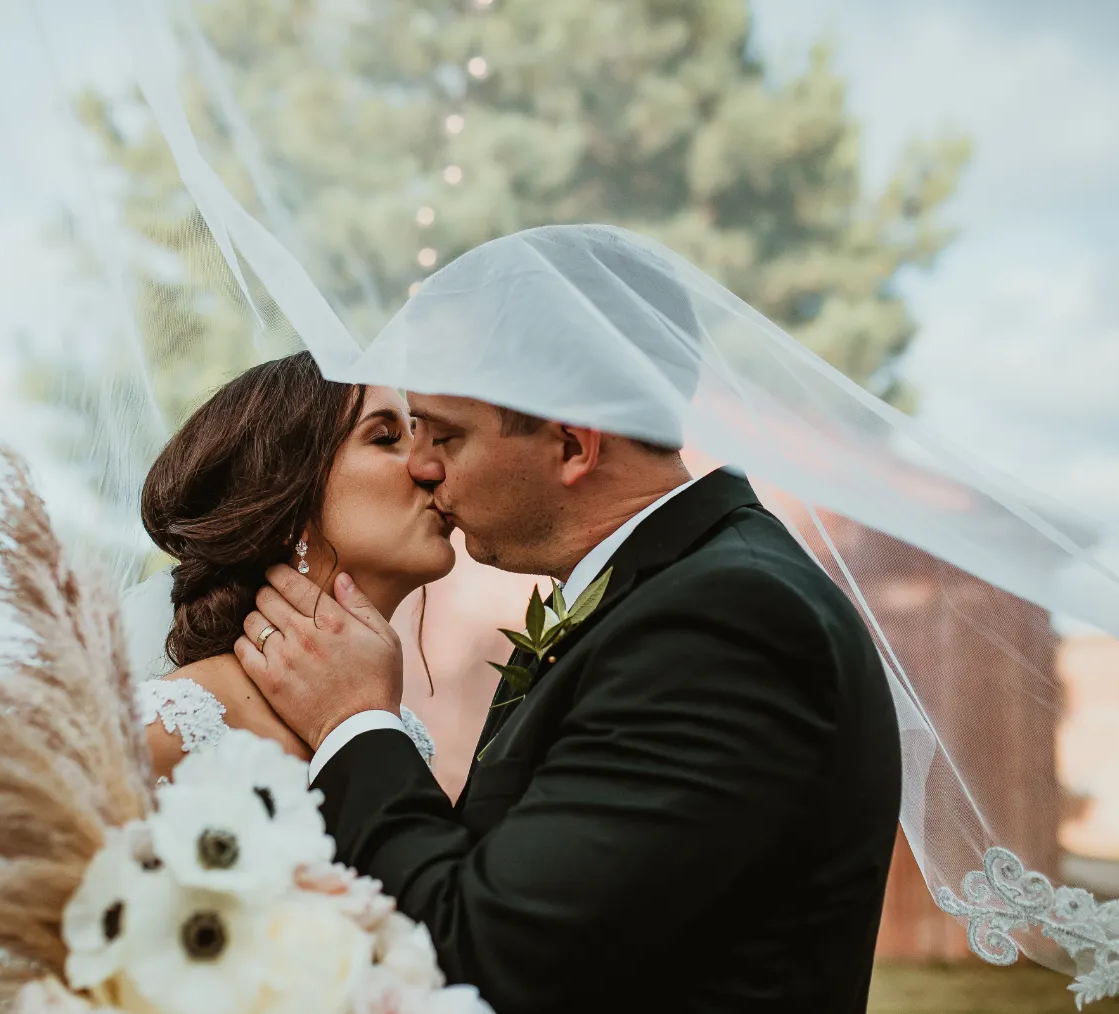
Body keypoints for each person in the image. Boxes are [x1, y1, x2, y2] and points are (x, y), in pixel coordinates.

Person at [234, 227, 904, 1014]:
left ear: (573, 445)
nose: (421, 464)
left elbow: (489, 954)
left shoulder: (722, 624)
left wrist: (354, 724)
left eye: (446, 434)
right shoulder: (668, 595)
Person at [131, 350, 452, 778]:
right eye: (385, 438)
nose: (430, 466)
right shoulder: (163, 733)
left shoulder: (400, 737)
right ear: (287, 502)